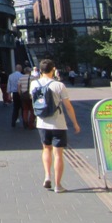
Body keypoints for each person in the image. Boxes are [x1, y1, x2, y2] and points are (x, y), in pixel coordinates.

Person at [32, 59, 80, 193]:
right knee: (58, 154)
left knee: (46, 149)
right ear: (53, 69)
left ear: (40, 70)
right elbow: (68, 107)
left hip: (41, 123)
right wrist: (75, 123)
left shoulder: (34, 84)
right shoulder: (59, 85)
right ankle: (58, 185)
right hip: (58, 123)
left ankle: (47, 176)